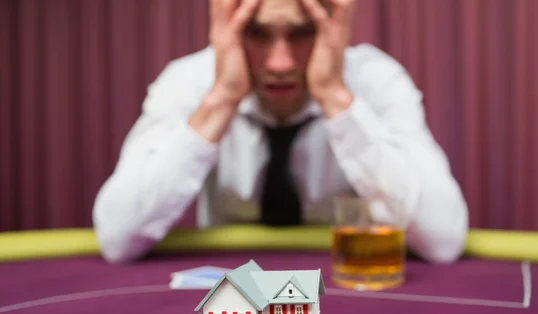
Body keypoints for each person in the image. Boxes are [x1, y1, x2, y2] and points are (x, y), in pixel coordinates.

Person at [92, 0, 469, 264]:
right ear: (227, 28)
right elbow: (117, 237)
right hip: (235, 283)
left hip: (347, 290)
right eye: (257, 33)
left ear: (332, 27)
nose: (280, 63)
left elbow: (443, 239)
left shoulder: (375, 81)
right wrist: (221, 100)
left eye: (302, 32)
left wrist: (336, 97)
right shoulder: (190, 82)